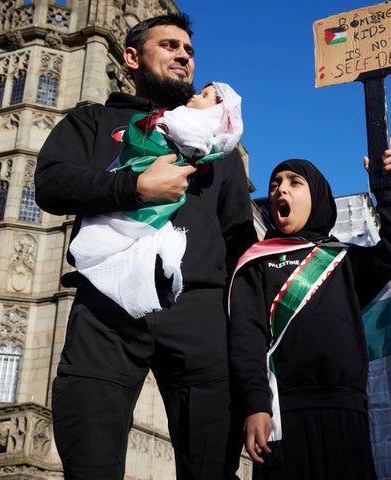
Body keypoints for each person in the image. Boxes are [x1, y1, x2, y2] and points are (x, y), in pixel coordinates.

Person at [35, 13, 256, 480]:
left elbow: (239, 239)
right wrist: (135, 187)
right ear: (132, 58)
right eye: (170, 46)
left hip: (199, 312)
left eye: (189, 51)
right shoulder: (93, 121)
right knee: (90, 459)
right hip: (107, 308)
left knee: (211, 465)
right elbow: (51, 184)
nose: (183, 56)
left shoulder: (221, 146)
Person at [227, 149, 391, 479]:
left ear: (316, 196)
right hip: (282, 415)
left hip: (346, 414)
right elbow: (247, 339)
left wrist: (386, 189)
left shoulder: (342, 260)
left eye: (294, 182)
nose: (280, 190)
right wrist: (255, 404)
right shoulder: (255, 263)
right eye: (274, 184)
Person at [68, 81, 243, 318]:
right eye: (169, 46)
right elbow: (55, 184)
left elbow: (238, 234)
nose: (194, 96)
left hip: (195, 309)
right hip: (102, 311)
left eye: (204, 96)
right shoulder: (97, 118)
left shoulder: (213, 149)